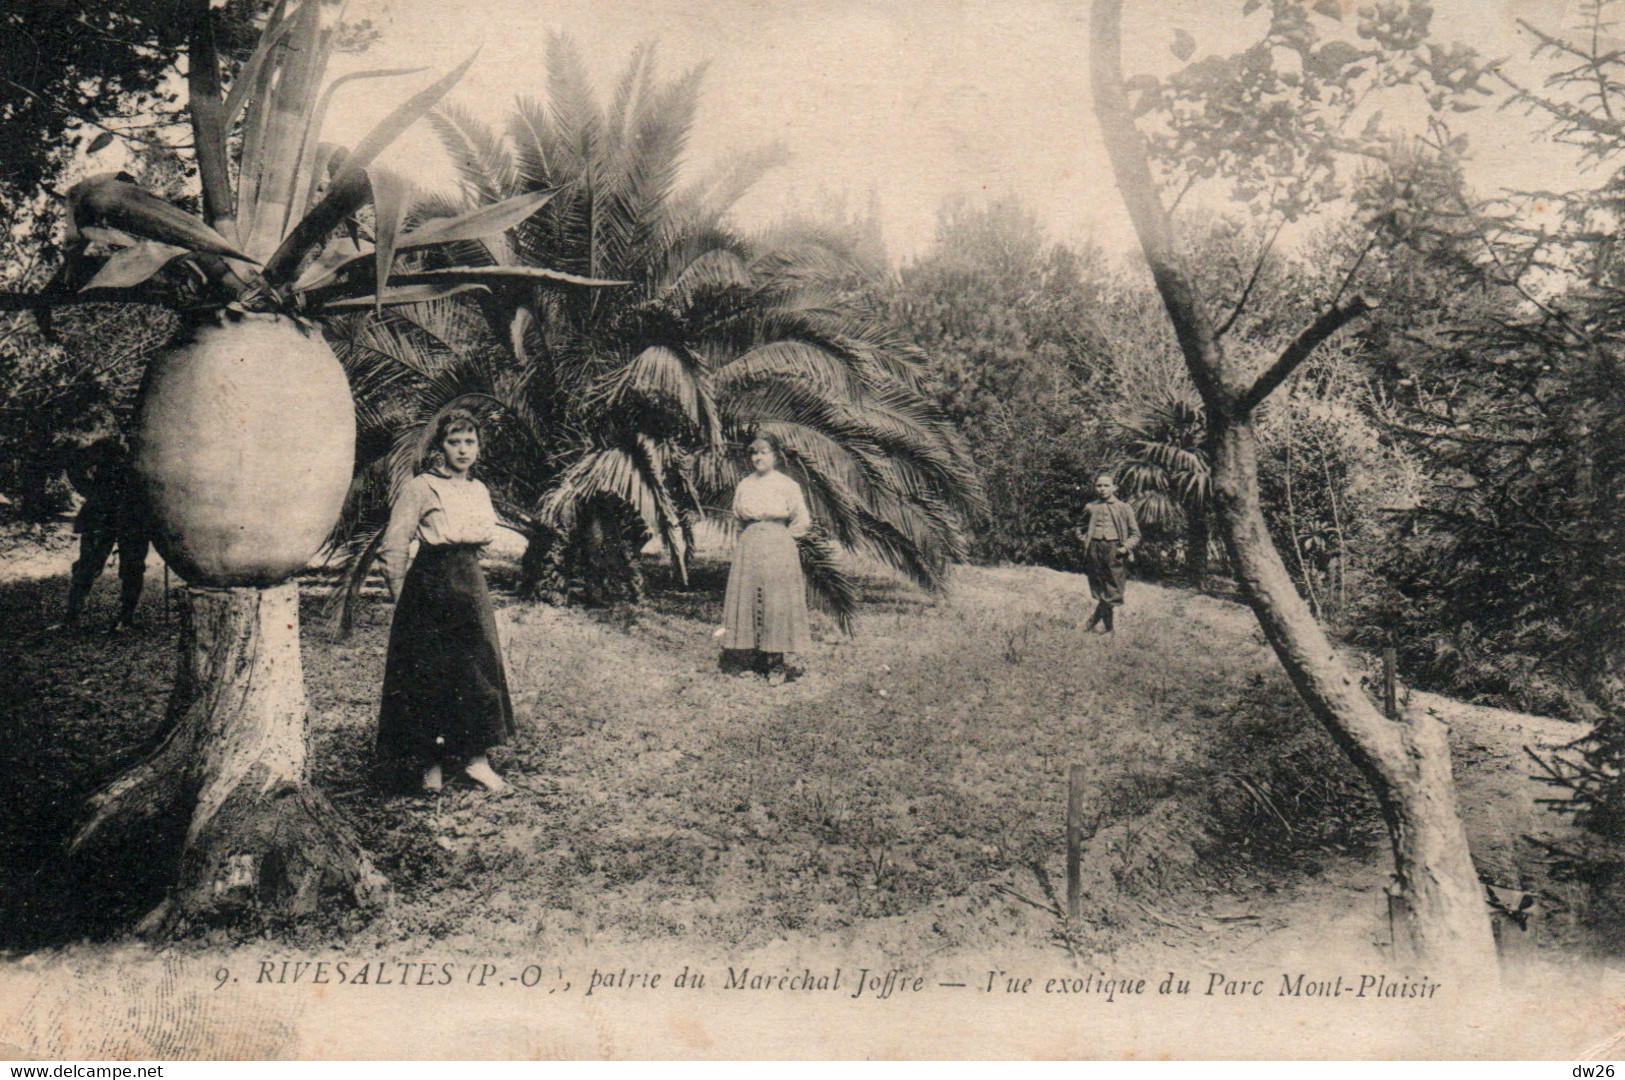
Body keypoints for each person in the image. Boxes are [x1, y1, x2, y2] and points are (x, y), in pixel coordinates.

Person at [377, 409, 515, 794]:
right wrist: (404, 599)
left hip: (469, 584)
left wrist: (468, 580)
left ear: (479, 447)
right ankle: (430, 763)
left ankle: (476, 760)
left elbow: (479, 539)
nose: (463, 449)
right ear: (440, 446)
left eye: (470, 441)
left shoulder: (478, 490)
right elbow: (394, 544)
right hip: (429, 585)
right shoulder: (421, 487)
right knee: (428, 672)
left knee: (477, 668)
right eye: (454, 441)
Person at [720, 434, 813, 683]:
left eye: (763, 452)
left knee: (775, 602)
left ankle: (776, 665)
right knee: (749, 597)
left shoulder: (787, 485)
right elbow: (738, 518)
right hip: (749, 546)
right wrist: (748, 540)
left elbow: (802, 519)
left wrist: (781, 538)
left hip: (777, 545)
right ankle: (754, 657)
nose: (758, 458)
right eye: (753, 453)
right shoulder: (745, 485)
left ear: (775, 455)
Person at [64, 436, 152, 630]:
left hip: (133, 517)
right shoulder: (105, 444)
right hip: (101, 515)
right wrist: (93, 493)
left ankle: (125, 619)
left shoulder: (148, 444)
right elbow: (76, 467)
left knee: (133, 567)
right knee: (87, 565)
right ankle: (71, 618)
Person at [1080, 473, 1140, 634]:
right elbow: (1079, 528)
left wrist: (1124, 548)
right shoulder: (1090, 507)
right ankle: (1109, 630)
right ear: (1095, 488)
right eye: (1099, 485)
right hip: (1094, 550)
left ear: (1114, 488)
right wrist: (1085, 540)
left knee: (1114, 591)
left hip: (1115, 551)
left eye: (1106, 485)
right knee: (1101, 588)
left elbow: (1136, 534)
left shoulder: (1124, 508)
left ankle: (1092, 622)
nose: (1102, 489)